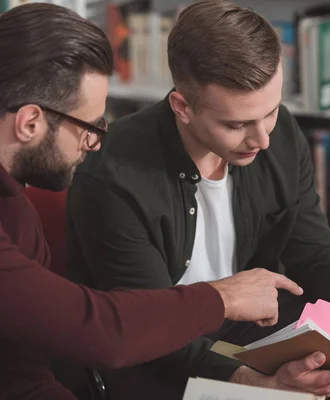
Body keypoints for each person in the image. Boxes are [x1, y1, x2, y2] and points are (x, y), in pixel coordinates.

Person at [66, 1, 330, 399]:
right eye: (237, 124)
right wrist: (255, 382)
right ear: (182, 107)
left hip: (248, 323)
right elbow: (144, 327)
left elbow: (310, 247)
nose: (263, 140)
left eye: (270, 112)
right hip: (152, 347)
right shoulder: (111, 176)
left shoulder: (280, 133)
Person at [0, 3, 305, 399]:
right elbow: (99, 330)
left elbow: (23, 376)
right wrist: (222, 297)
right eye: (88, 126)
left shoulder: (17, 214)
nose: (94, 143)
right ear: (29, 123)